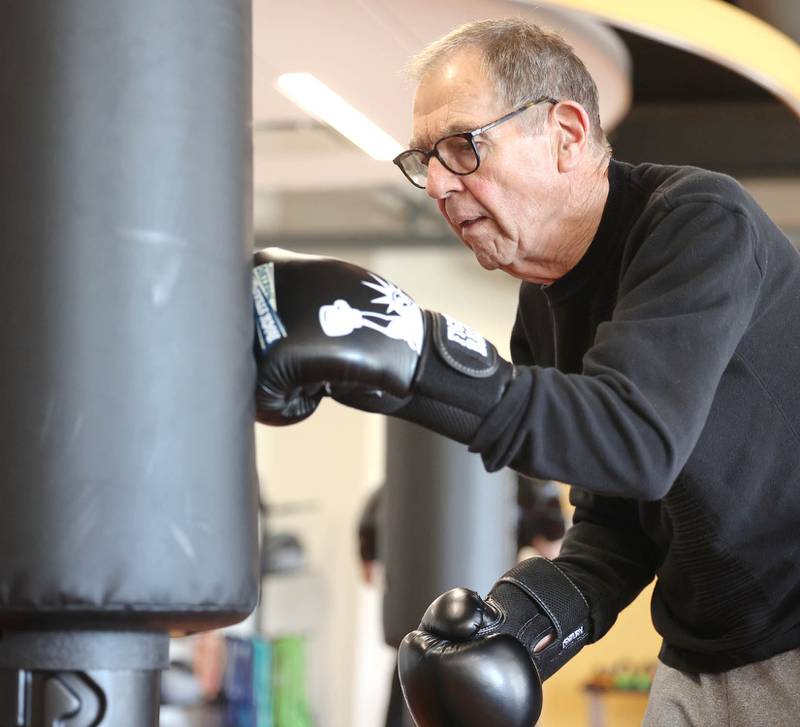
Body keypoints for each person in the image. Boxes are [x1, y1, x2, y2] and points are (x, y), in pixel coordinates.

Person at [251, 17, 800, 727]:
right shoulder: (539, 307)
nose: (439, 185)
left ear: (567, 134)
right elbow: (617, 519)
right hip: (698, 656)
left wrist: (416, 351)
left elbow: (636, 440)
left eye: (462, 147)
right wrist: (522, 624)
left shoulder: (699, 223)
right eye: (425, 161)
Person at [357, 477, 566, 727]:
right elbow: (553, 553)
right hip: (490, 639)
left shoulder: (395, 484)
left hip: (416, 645)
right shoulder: (521, 485)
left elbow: (368, 573)